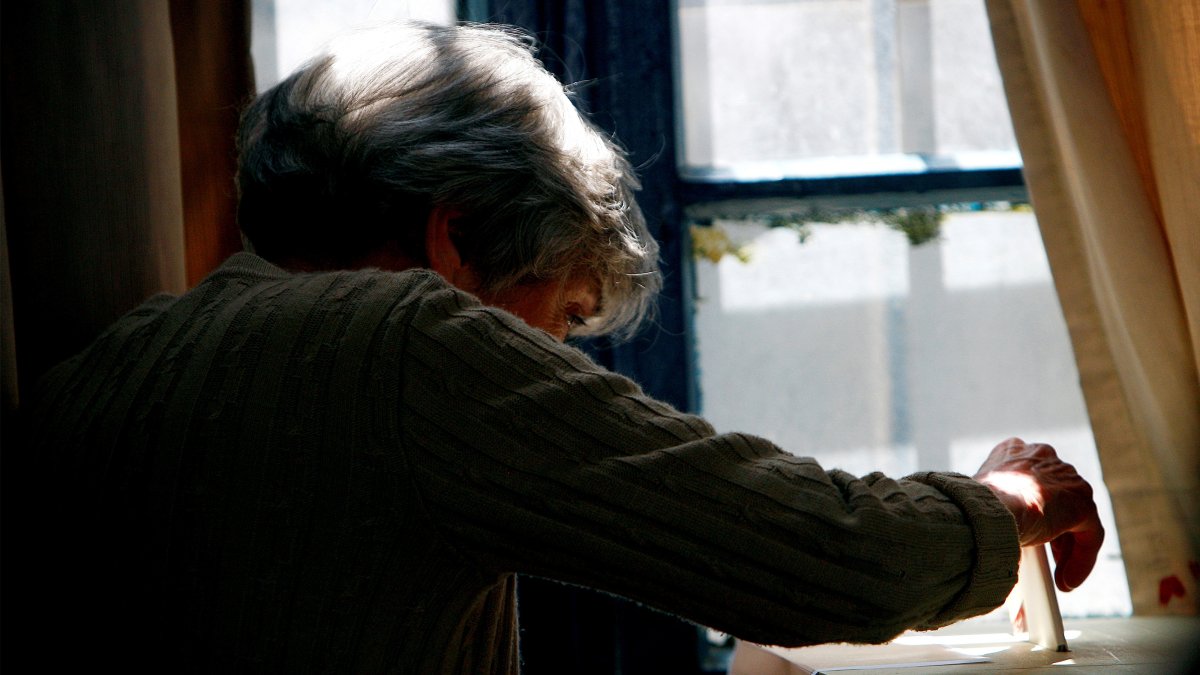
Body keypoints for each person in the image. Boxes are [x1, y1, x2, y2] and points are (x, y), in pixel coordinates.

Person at [26, 20, 1103, 674]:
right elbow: (830, 559)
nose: (553, 362)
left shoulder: (117, 364)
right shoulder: (405, 341)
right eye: (550, 319)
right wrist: (1009, 498)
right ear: (454, 237)